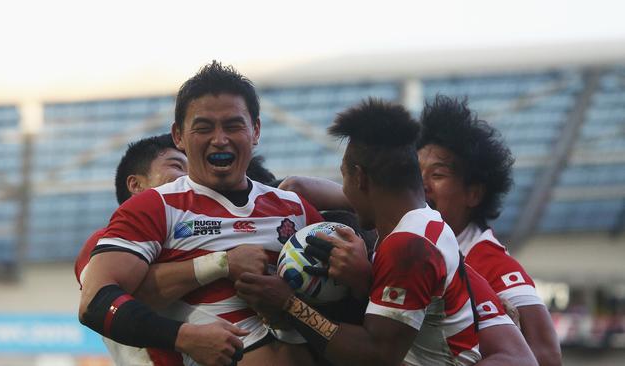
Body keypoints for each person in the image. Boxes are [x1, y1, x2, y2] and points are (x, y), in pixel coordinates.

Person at [235, 99, 535, 365]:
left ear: (360, 178)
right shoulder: (427, 225)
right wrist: (366, 280)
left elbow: (375, 355)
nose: (344, 191)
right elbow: (301, 187)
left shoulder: (407, 247)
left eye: (344, 177)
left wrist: (289, 304)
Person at [78, 61, 322, 366]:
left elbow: (349, 303)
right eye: (204, 127)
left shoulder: (294, 208)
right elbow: (96, 304)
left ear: (255, 130)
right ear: (178, 136)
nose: (219, 139)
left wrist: (292, 304)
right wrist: (184, 336)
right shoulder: (154, 208)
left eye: (233, 126)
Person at [75, 134, 277, 365]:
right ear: (136, 185)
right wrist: (222, 262)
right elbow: (101, 300)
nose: (189, 178)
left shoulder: (200, 238)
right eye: (177, 166)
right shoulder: (104, 241)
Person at [417, 95, 562, 366]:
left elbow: (547, 355)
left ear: (473, 194)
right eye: (416, 173)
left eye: (437, 175)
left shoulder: (492, 264)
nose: (421, 185)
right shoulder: (403, 242)